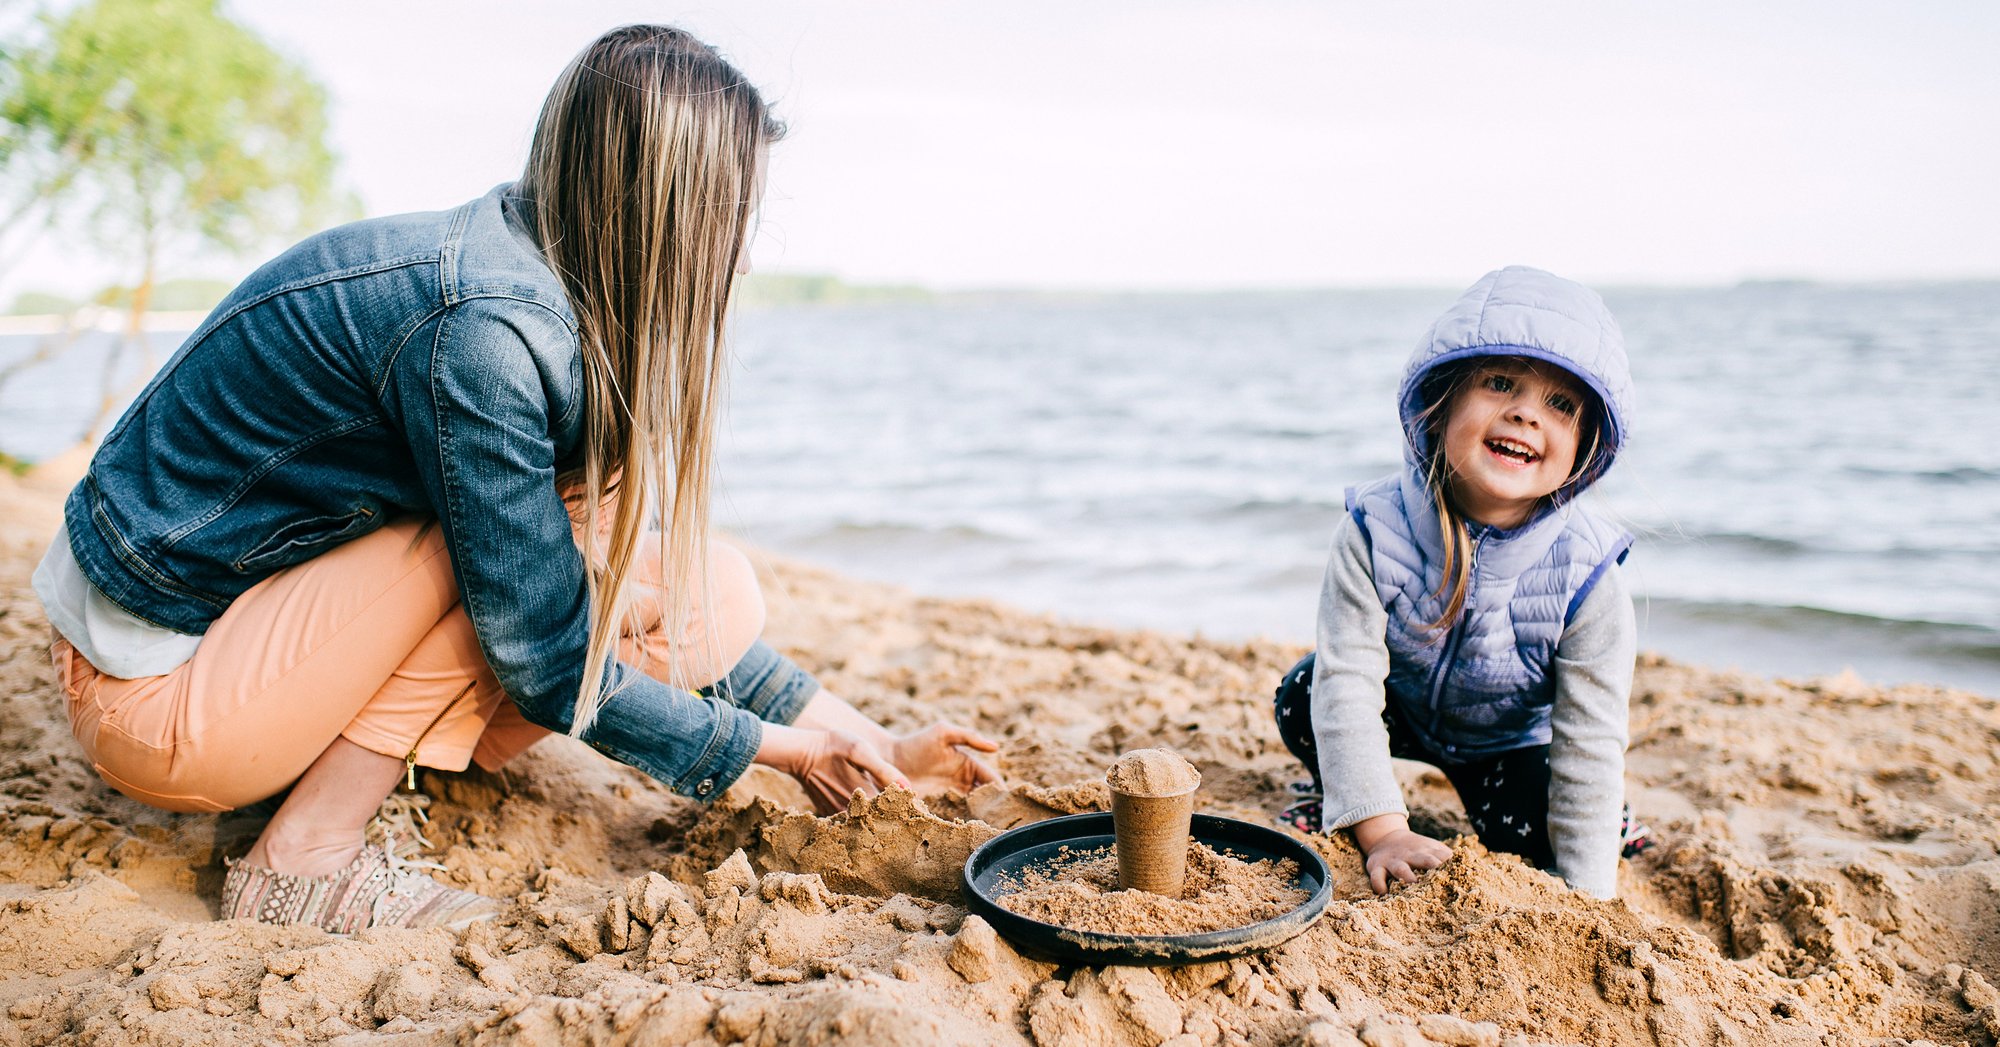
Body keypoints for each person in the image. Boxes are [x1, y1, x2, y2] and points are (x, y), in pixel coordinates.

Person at [31, 24, 999, 934]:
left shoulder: (542, 288)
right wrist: (775, 754)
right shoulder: (486, 331)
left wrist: (867, 740)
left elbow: (608, 592)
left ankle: (338, 786)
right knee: (501, 559)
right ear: (662, 205)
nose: (741, 254)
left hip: (244, 648)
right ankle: (305, 858)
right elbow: (540, 650)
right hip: (152, 698)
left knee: (709, 590)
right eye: (730, 214)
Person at [1271, 265, 1651, 900]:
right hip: (1406, 712)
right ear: (1442, 402)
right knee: (1305, 692)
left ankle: (1612, 820)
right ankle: (1344, 800)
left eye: (1560, 404)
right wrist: (1385, 832)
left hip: (1507, 744)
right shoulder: (1373, 531)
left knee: (1539, 838)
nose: (1526, 413)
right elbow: (1350, 684)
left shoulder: (1589, 575)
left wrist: (1589, 895)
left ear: (1583, 449)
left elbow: (1591, 734)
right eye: (1501, 383)